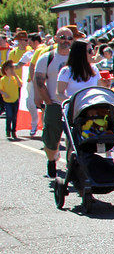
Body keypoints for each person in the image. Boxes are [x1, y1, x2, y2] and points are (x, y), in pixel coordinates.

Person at [34, 27, 73, 177]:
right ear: (56, 38)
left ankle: (72, 166)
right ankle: (51, 161)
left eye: (69, 38)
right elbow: (39, 81)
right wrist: (47, 101)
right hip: (54, 103)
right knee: (51, 137)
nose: (66, 41)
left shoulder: (74, 58)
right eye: (63, 37)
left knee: (73, 138)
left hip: (71, 104)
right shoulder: (47, 57)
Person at [18, 33, 44, 138]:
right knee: (30, 104)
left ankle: (39, 126)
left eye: (31, 42)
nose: (29, 44)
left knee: (41, 105)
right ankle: (35, 124)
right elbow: (18, 65)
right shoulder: (29, 54)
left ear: (36, 41)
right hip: (30, 82)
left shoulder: (44, 50)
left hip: (41, 81)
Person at [1, 61, 21, 140]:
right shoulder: (3, 79)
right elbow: (0, 89)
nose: (12, 70)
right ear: (6, 70)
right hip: (7, 101)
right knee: (9, 115)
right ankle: (8, 130)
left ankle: (14, 131)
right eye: (10, 69)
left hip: (15, 99)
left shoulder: (15, 78)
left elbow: (20, 85)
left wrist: (16, 76)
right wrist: (4, 93)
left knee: (14, 117)